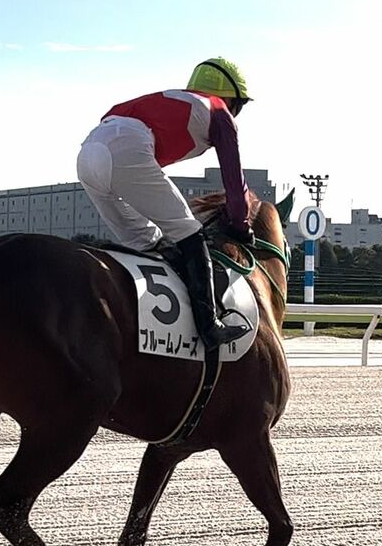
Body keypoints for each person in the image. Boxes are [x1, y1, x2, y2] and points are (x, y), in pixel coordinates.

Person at [77, 57, 254, 349]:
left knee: (147, 242)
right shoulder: (220, 113)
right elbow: (236, 186)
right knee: (190, 233)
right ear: (231, 98)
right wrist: (241, 225)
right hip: (126, 150)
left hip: (88, 153)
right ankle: (209, 327)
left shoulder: (175, 101)